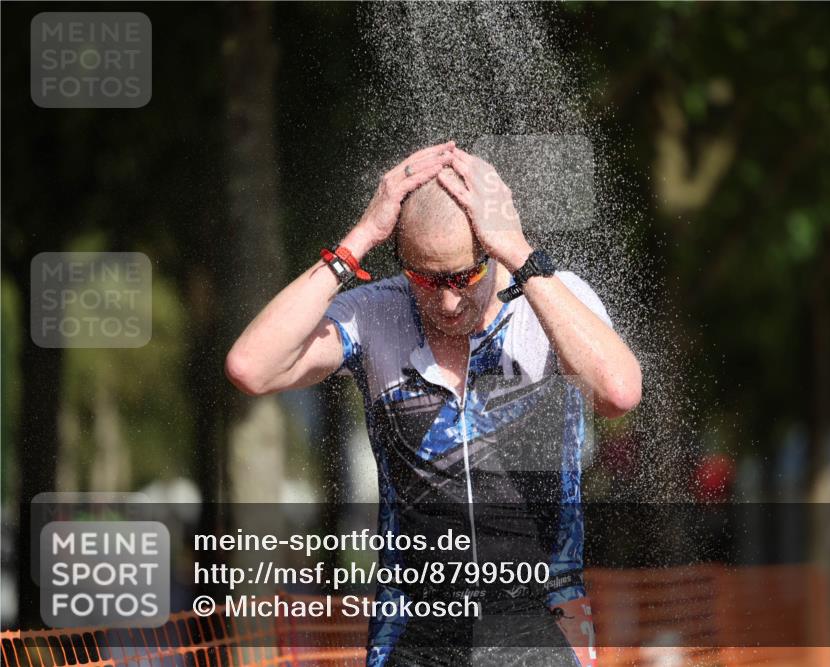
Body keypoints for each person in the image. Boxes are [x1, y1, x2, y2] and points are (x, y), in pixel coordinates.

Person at [225, 140, 642, 666]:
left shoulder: (548, 299)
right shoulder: (376, 313)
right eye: (426, 278)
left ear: (493, 249)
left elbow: (618, 392)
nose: (447, 301)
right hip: (413, 629)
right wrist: (358, 240)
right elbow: (250, 367)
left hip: (539, 621)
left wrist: (520, 252)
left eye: (464, 277)